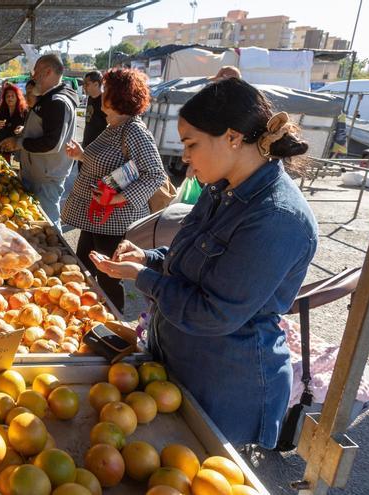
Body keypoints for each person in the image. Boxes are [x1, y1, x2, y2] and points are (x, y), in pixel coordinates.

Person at [90, 77, 318, 449]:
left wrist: (144, 278)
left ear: (232, 137)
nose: (185, 157)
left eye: (191, 143)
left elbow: (213, 313)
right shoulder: (221, 190)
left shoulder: (276, 218)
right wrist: (147, 258)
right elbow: (189, 260)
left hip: (224, 384)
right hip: (179, 365)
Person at [60, 68, 167, 311]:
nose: (102, 93)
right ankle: (83, 311)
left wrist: (118, 198)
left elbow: (155, 174)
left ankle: (114, 322)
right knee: (83, 268)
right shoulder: (114, 125)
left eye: (107, 89)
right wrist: (82, 155)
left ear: (118, 96)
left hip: (113, 222)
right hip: (96, 217)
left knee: (108, 278)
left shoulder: (134, 130)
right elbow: (109, 163)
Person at [0, 55, 78, 226]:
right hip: (38, 174)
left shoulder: (57, 102)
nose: (33, 77)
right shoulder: (47, 99)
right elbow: (38, 132)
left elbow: (52, 143)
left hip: (46, 178)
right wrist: (19, 138)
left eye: (36, 72)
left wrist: (18, 143)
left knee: (48, 223)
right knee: (35, 220)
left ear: (48, 71)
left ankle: (57, 250)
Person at [0, 84, 29, 163]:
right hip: (3, 150)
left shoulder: (24, 112)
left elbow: (29, 129)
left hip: (18, 152)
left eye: (12, 96)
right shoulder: (1, 111)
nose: (10, 98)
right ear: (4, 98)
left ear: (17, 97)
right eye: (8, 96)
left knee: (15, 173)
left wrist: (22, 129)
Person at [81, 71, 107, 151]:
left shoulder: (105, 100)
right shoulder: (90, 98)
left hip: (99, 148)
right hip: (86, 144)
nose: (84, 87)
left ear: (96, 84)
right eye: (84, 84)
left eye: (87, 84)